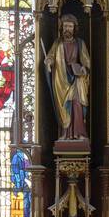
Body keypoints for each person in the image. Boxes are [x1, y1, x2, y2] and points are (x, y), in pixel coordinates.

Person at [44, 14, 90, 142]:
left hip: (76, 79)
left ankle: (80, 133)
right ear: (62, 28)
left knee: (77, 104)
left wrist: (84, 68)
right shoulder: (57, 43)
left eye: (70, 26)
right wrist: (48, 62)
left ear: (74, 28)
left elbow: (86, 61)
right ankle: (65, 134)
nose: (67, 29)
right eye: (65, 26)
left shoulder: (80, 43)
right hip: (61, 80)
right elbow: (51, 56)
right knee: (64, 107)